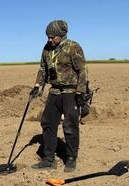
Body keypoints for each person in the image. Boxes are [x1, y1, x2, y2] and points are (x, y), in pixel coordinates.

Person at [30, 20, 88, 172]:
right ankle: (48, 159)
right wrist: (38, 86)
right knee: (47, 122)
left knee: (70, 125)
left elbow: (82, 70)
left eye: (52, 37)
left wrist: (81, 92)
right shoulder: (47, 48)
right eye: (48, 37)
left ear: (61, 35)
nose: (49, 40)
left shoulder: (73, 47)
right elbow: (43, 69)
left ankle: (71, 157)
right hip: (54, 91)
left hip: (70, 92)